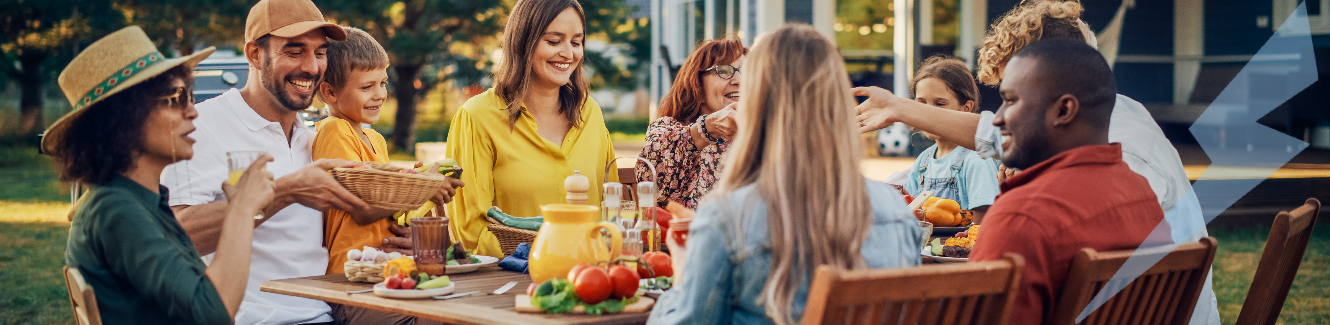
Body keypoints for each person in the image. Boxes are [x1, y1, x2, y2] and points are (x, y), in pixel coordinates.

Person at [853, 1, 1219, 323]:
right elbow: (988, 133)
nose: (998, 118)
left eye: (1013, 97)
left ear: (1060, 91)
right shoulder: (1119, 153)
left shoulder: (1033, 216)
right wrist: (900, 108)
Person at [648, 24, 922, 325]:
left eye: (745, 73)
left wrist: (685, 270)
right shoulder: (897, 212)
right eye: (726, 71)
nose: (737, 80)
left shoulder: (727, 221)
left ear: (757, 100)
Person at [159, 0, 381, 323]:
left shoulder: (314, 138)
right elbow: (178, 236)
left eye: (320, 53)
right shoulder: (203, 126)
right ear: (254, 54)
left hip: (326, 315)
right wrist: (285, 192)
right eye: (294, 51)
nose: (312, 67)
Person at [52, 26, 275, 324]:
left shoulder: (142, 201)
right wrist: (243, 208)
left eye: (190, 96)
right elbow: (212, 314)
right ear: (122, 118)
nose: (192, 111)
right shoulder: (117, 210)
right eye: (175, 98)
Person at [969, 38, 1170, 324]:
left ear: (1064, 110)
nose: (997, 118)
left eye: (1010, 100)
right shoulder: (1142, 196)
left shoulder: (1023, 218)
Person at [445, 0, 618, 258]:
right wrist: (553, 252)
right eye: (553, 41)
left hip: (590, 278)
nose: (568, 54)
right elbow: (471, 234)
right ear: (523, 43)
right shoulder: (477, 117)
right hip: (508, 283)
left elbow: (612, 211)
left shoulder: (589, 112)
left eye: (576, 42)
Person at [313, 27, 464, 275]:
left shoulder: (376, 139)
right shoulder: (335, 130)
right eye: (366, 87)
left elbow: (385, 204)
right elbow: (361, 209)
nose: (380, 95)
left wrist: (413, 188)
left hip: (385, 268)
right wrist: (421, 188)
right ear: (330, 92)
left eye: (382, 83)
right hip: (349, 273)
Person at [636, 36, 744, 209]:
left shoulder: (762, 137)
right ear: (697, 87)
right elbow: (651, 183)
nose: (739, 80)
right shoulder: (666, 130)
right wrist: (706, 130)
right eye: (723, 70)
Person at [902, 56, 999, 217]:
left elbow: (982, 225)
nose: (928, 112)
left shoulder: (977, 159)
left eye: (940, 104)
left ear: (966, 108)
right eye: (921, 103)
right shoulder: (922, 161)